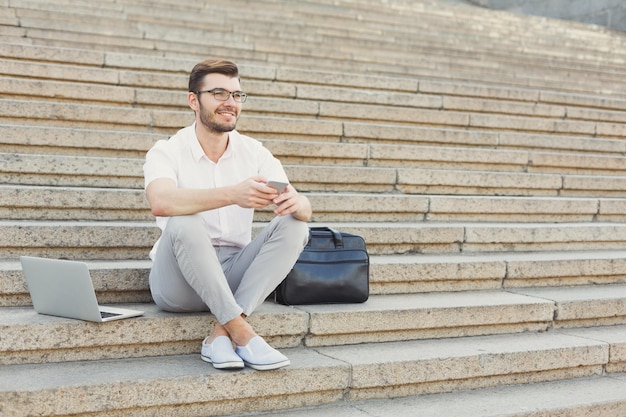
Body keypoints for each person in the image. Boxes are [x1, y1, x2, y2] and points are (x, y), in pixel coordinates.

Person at [143, 59, 312, 371]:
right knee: (184, 217)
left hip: (233, 274)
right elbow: (161, 202)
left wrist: (299, 204)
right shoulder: (167, 150)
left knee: (295, 225)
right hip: (178, 282)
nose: (230, 103)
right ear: (193, 100)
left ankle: (221, 333)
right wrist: (233, 194)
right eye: (219, 93)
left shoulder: (255, 152)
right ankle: (244, 335)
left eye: (236, 95)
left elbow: (297, 201)